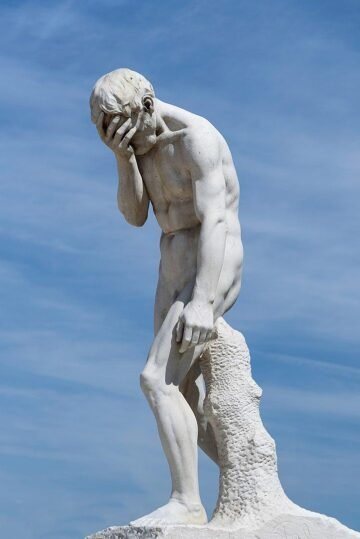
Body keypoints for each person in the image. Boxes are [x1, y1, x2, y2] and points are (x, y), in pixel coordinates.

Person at [90, 68, 243, 526]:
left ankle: (187, 502)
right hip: (171, 262)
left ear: (148, 108)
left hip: (211, 261)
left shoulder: (197, 139)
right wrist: (123, 159)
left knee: (156, 379)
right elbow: (136, 216)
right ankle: (249, 472)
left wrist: (201, 301)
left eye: (124, 130)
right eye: (109, 134)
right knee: (186, 402)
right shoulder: (135, 148)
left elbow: (215, 221)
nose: (122, 140)